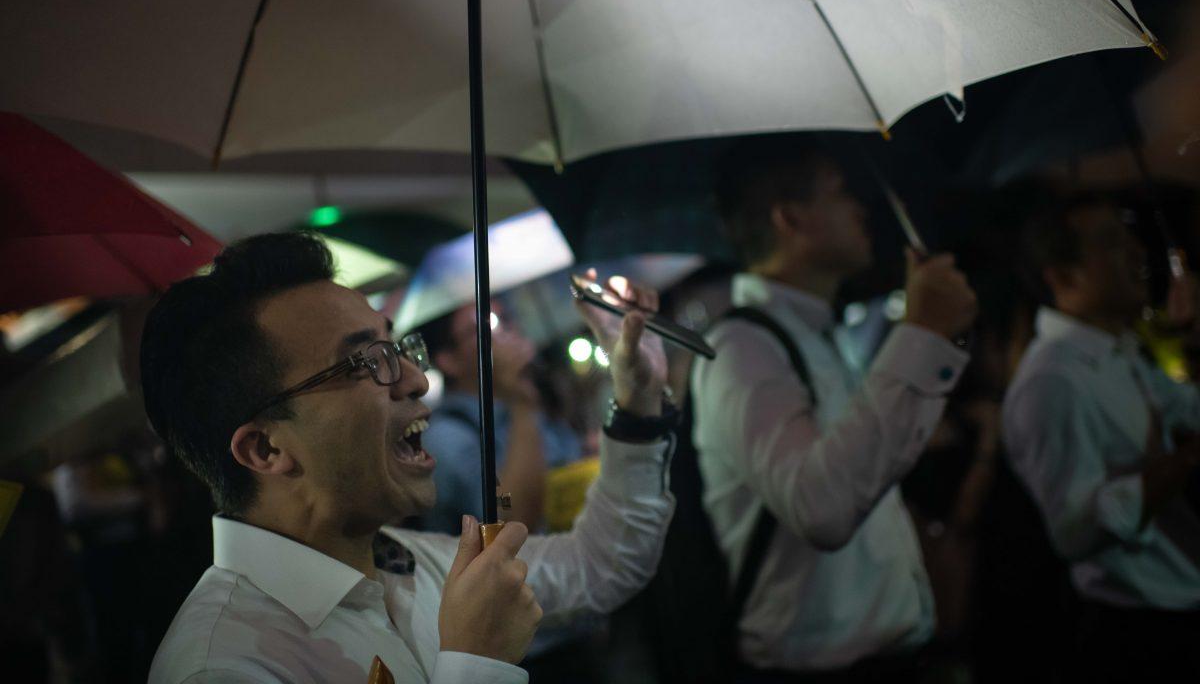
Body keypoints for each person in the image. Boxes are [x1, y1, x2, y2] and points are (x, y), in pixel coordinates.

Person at [141, 233, 676, 684]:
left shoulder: (412, 560)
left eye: (396, 348)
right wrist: (477, 664)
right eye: (366, 361)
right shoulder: (221, 666)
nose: (416, 380)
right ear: (265, 448)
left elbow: (600, 564)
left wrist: (639, 403)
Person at [691, 143, 978, 681]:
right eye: (841, 192)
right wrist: (921, 333)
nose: (861, 208)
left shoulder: (821, 336)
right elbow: (821, 508)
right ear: (791, 218)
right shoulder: (742, 348)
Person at [1003, 194, 1200, 681]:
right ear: (1063, 276)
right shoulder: (1052, 381)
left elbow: (1189, 411)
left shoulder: (1117, 351)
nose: (1138, 253)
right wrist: (1184, 462)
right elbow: (1075, 531)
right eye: (1111, 242)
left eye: (1130, 233)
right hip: (1139, 636)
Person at [417, 303, 582, 535]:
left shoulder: (528, 403)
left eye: (503, 320)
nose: (502, 334)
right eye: (480, 330)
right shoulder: (446, 437)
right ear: (448, 361)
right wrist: (521, 405)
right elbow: (510, 522)